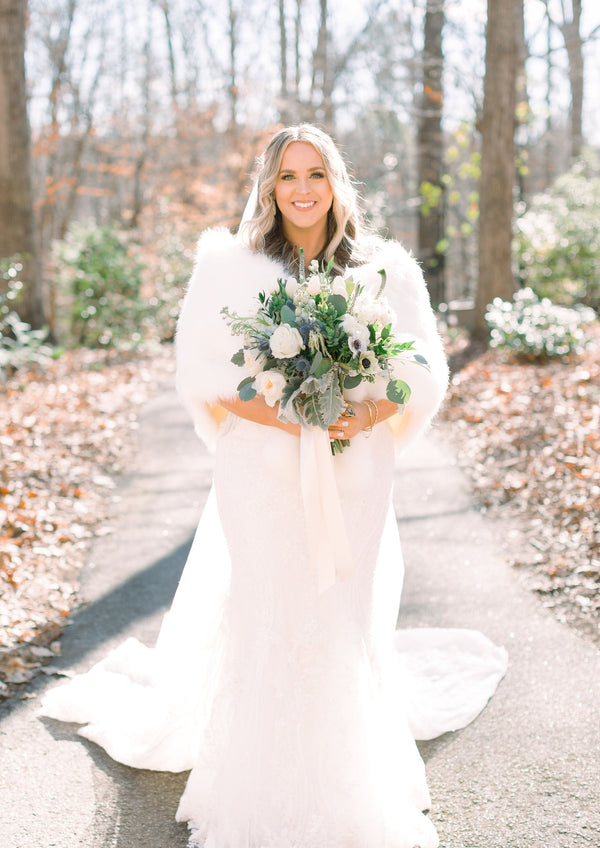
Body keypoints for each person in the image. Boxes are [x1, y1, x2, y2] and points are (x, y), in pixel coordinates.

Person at [41, 124, 507, 848]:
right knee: (271, 609)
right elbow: (208, 375)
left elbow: (418, 374)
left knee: (336, 612)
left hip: (354, 465)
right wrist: (298, 418)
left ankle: (349, 774)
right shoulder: (230, 266)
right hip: (260, 465)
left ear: (336, 181)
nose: (301, 189)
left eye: (315, 173)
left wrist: (356, 415)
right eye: (287, 175)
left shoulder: (385, 269)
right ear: (267, 185)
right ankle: (252, 781)